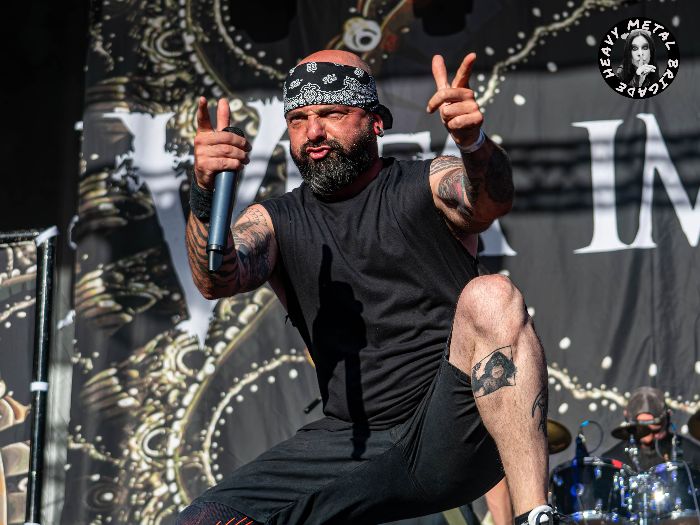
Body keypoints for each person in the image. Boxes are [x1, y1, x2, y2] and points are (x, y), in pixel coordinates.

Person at [180, 49, 553, 525]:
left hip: (453, 425)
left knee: (492, 295)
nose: (313, 132)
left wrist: (473, 142)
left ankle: (535, 516)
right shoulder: (275, 220)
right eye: (298, 120)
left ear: (376, 122)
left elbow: (489, 203)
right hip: (354, 441)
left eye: (332, 114)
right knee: (202, 520)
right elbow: (214, 279)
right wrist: (205, 192)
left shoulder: (425, 182)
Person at [603, 386, 700, 471]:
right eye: (642, 429)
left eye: (655, 429)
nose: (648, 437)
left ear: (667, 419)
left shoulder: (692, 455)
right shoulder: (613, 460)